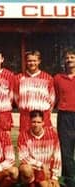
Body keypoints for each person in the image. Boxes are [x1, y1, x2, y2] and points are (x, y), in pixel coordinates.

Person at [18, 110, 61, 187]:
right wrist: (41, 165)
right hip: (33, 168)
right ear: (30, 122)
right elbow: (23, 157)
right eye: (33, 122)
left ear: (43, 123)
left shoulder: (52, 134)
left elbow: (57, 156)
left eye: (38, 122)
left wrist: (55, 177)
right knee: (26, 169)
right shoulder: (23, 136)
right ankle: (31, 182)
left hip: (47, 170)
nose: (36, 125)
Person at [15, 50, 55, 132]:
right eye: (29, 61)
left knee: (43, 143)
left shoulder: (48, 78)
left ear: (39, 61)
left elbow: (52, 99)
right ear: (26, 62)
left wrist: (44, 114)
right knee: (25, 142)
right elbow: (16, 98)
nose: (32, 63)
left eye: (34, 61)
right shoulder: (19, 78)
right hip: (25, 117)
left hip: (43, 117)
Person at [54, 48, 75, 186]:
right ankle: (70, 180)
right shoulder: (57, 78)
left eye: (72, 57)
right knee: (66, 150)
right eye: (67, 58)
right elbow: (54, 96)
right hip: (65, 116)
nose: (70, 60)